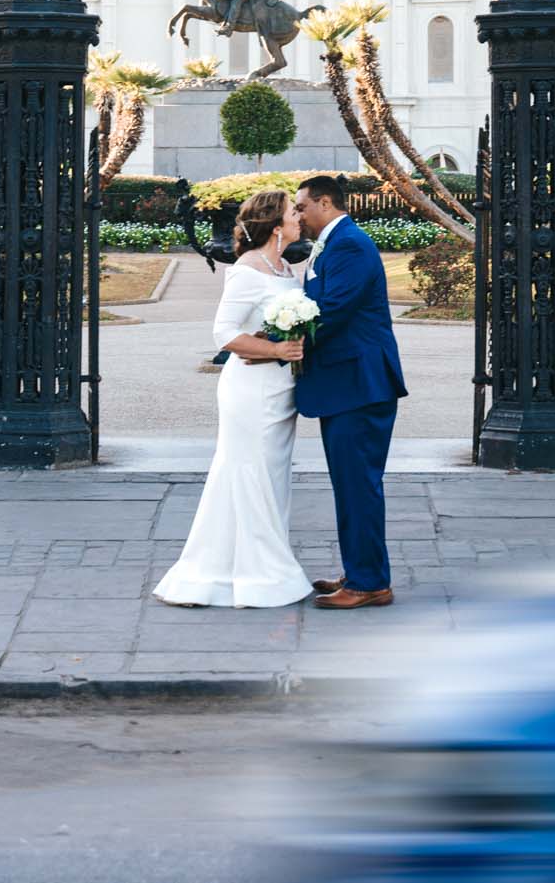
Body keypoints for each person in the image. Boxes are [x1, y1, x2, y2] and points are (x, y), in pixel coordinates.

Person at [152, 188, 313, 608]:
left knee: (270, 476)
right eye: (292, 214)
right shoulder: (246, 269)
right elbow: (224, 333)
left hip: (280, 390)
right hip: (252, 389)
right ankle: (257, 575)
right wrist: (277, 350)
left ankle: (236, 569)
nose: (299, 218)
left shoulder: (281, 269)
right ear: (276, 228)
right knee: (248, 473)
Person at [293, 173, 407, 609]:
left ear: (324, 203)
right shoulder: (335, 243)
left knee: (358, 485)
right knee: (350, 484)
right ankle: (359, 569)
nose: (298, 216)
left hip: (359, 383)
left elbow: (333, 309)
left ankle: (369, 583)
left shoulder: (351, 245)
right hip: (345, 384)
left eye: (302, 207)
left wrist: (277, 337)